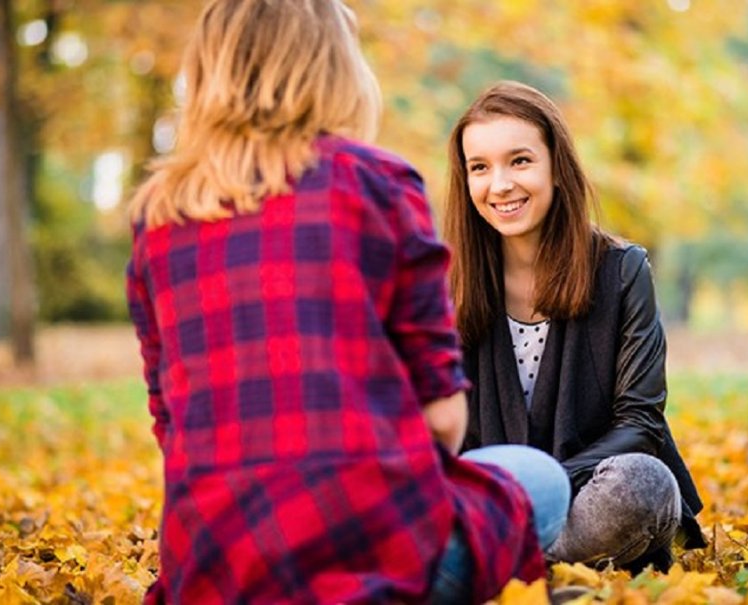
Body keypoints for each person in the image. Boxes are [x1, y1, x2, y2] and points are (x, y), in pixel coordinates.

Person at [125, 3, 568, 603]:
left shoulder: (157, 217)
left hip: (215, 566)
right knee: (538, 478)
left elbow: (170, 423)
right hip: (367, 547)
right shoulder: (376, 182)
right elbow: (443, 418)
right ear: (334, 67)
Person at [444, 81, 707, 573]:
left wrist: (543, 487)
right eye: (479, 167)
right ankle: (529, 563)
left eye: (519, 161)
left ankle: (507, 564)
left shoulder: (623, 270)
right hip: (485, 503)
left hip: (587, 497)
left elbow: (640, 422)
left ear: (557, 168)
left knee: (643, 484)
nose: (499, 184)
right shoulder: (444, 284)